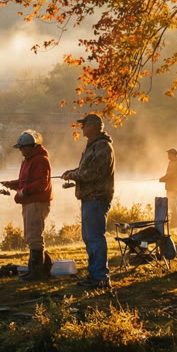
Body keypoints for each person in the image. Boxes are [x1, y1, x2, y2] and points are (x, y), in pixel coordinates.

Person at [61, 113, 116, 288]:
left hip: (97, 198)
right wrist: (72, 172)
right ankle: (94, 274)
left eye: (84, 125)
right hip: (89, 198)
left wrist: (73, 175)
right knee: (89, 237)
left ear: (91, 126)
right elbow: (86, 168)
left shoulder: (102, 147)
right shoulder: (93, 146)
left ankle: (100, 277)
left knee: (95, 238)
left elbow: (93, 173)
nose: (82, 128)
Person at [2, 130, 53, 281]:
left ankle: (37, 273)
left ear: (31, 146)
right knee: (31, 235)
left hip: (37, 202)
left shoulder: (41, 160)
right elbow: (27, 181)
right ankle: (37, 268)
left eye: (22, 148)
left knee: (34, 235)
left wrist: (23, 191)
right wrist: (13, 184)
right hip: (29, 202)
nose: (20, 151)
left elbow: (42, 184)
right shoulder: (27, 160)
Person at [160, 148, 177, 226]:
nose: (168, 156)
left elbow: (172, 175)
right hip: (172, 188)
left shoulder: (176, 163)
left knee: (172, 206)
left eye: (169, 154)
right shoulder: (172, 163)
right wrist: (164, 178)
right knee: (175, 205)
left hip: (174, 188)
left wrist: (163, 179)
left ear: (173, 155)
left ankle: (174, 224)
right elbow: (169, 174)